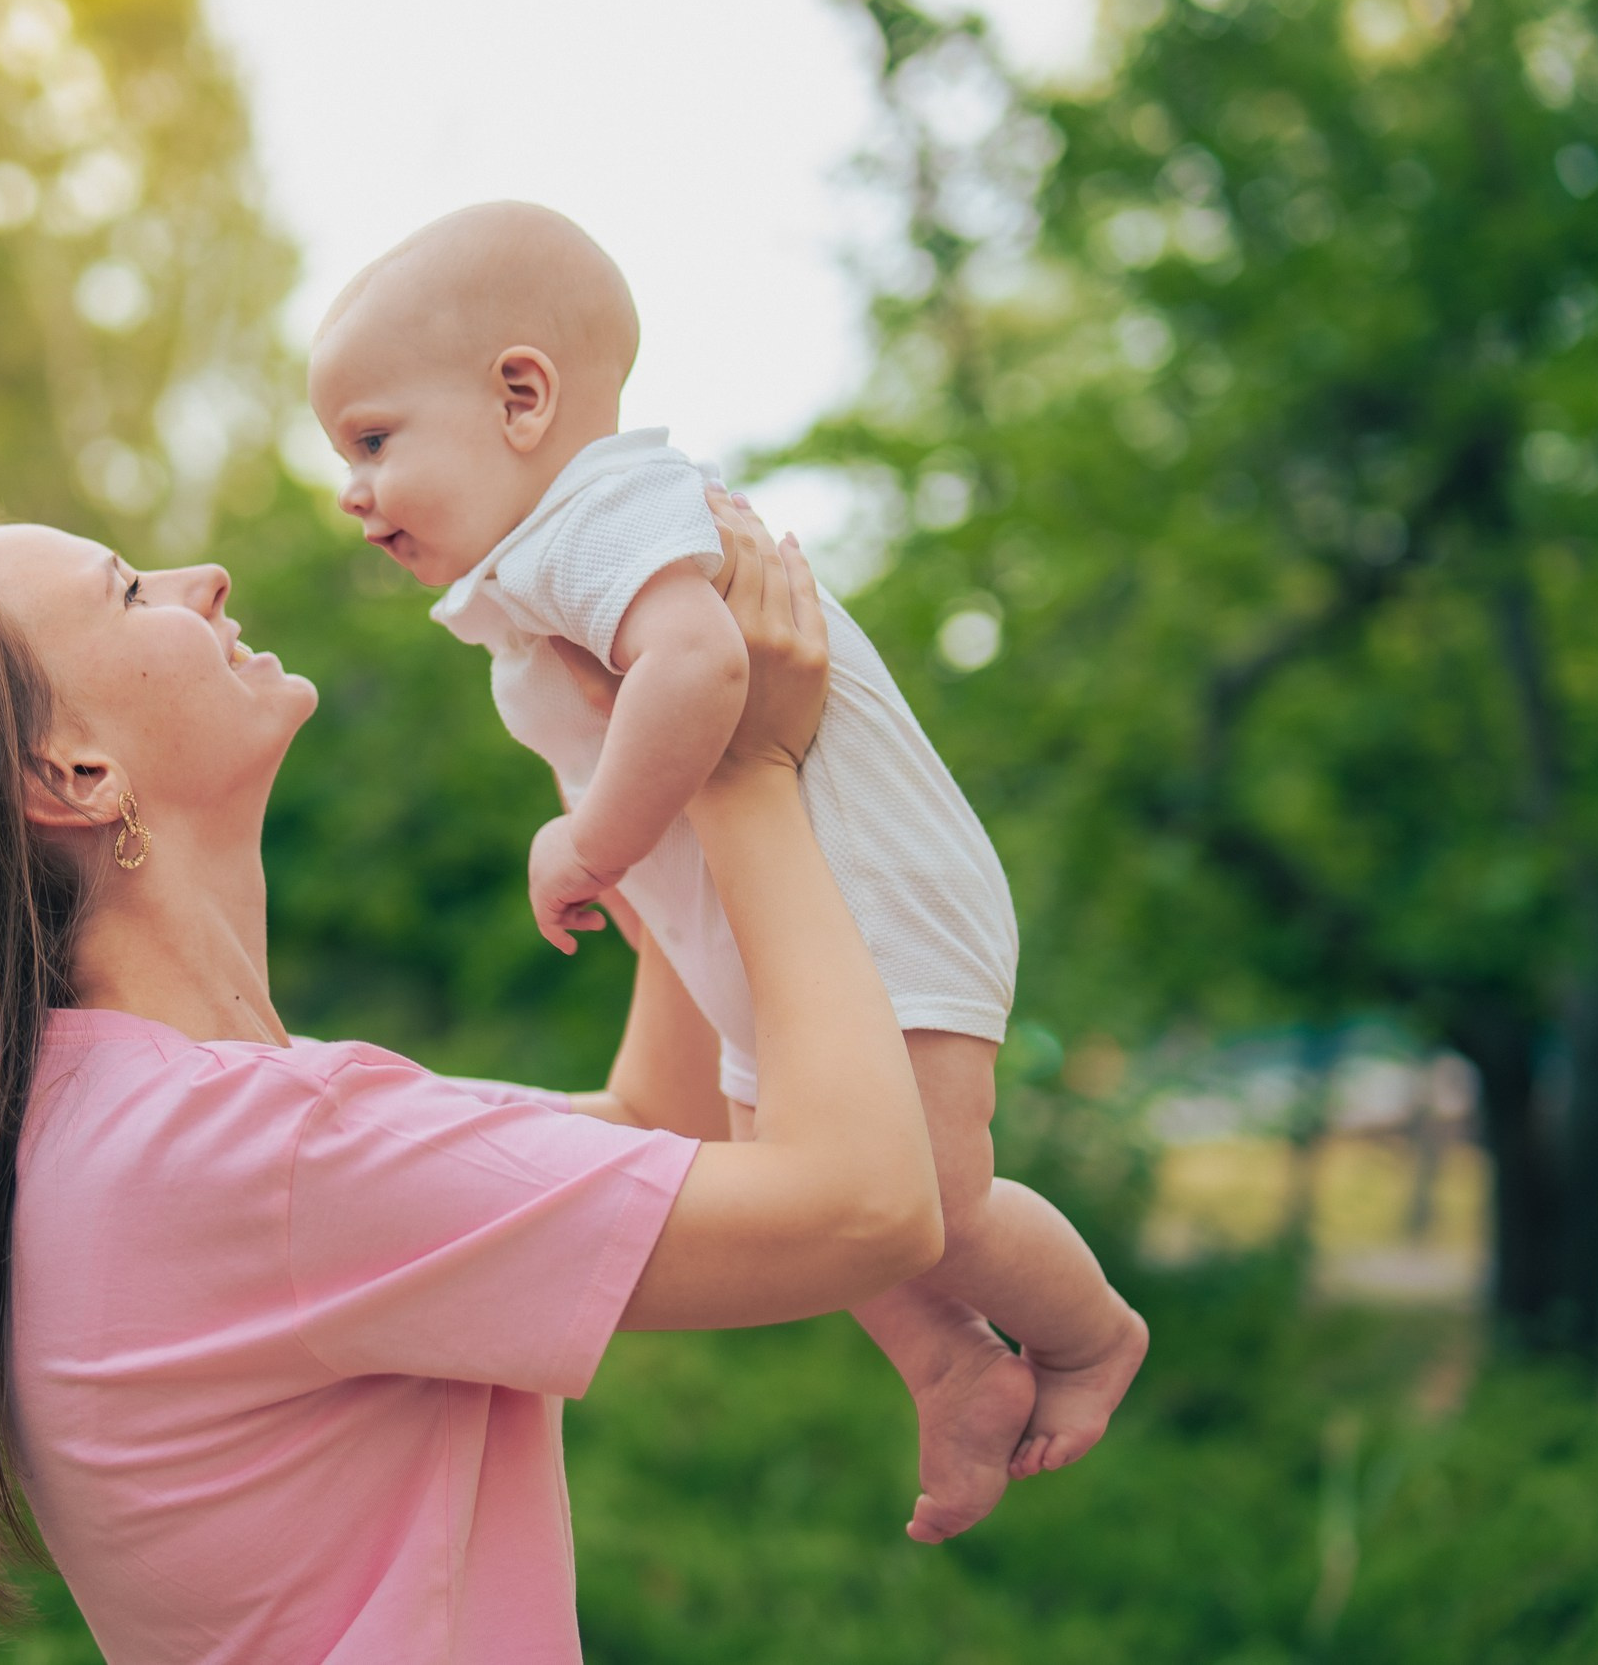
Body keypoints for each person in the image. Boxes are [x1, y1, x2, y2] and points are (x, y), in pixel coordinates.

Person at [0, 492, 944, 1663]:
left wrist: (641, 776)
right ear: (71, 773)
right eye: (131, 592)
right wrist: (747, 778)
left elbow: (653, 1133)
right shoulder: (245, 1151)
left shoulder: (144, 1130)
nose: (207, 578)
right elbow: (867, 1207)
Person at [304, 201, 1148, 1543]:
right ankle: (952, 1365)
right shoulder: (540, 567)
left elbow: (699, 668)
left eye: (373, 440)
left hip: (878, 894)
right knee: (802, 1178)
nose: (351, 487)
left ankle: (1092, 1332)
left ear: (523, 395)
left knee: (924, 1186)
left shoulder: (599, 512)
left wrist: (591, 842)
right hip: (783, 932)